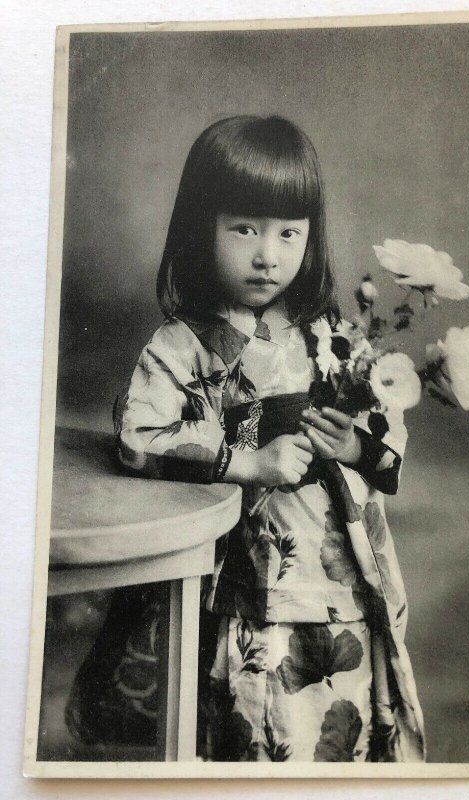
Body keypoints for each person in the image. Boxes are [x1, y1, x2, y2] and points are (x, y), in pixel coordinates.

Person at [66, 115, 425, 762]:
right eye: (244, 229)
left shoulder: (331, 337)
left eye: (289, 233)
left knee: (344, 719)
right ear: (200, 227)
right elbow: (139, 435)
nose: (268, 254)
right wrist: (247, 461)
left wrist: (352, 446)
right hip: (248, 567)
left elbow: (385, 419)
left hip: (340, 566)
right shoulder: (183, 344)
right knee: (258, 720)